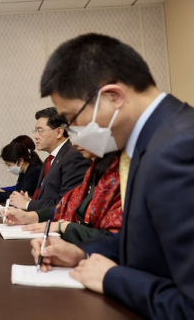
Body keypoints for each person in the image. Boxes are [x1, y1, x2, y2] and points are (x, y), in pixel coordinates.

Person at [31, 33, 194, 319]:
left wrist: (111, 278)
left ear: (113, 96)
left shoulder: (180, 150)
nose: (71, 132)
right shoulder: (150, 143)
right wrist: (83, 253)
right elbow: (149, 246)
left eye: (71, 119)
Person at [3, 148, 122, 244]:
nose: (75, 142)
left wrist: (63, 226)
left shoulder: (119, 172)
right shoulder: (97, 167)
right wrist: (28, 217)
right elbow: (66, 206)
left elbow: (115, 239)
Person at [10, 107, 89, 211]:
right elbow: (48, 198)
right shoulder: (49, 160)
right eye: (35, 131)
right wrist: (30, 200)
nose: (35, 136)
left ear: (59, 132)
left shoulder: (73, 157)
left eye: (40, 131)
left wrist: (28, 204)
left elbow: (66, 205)